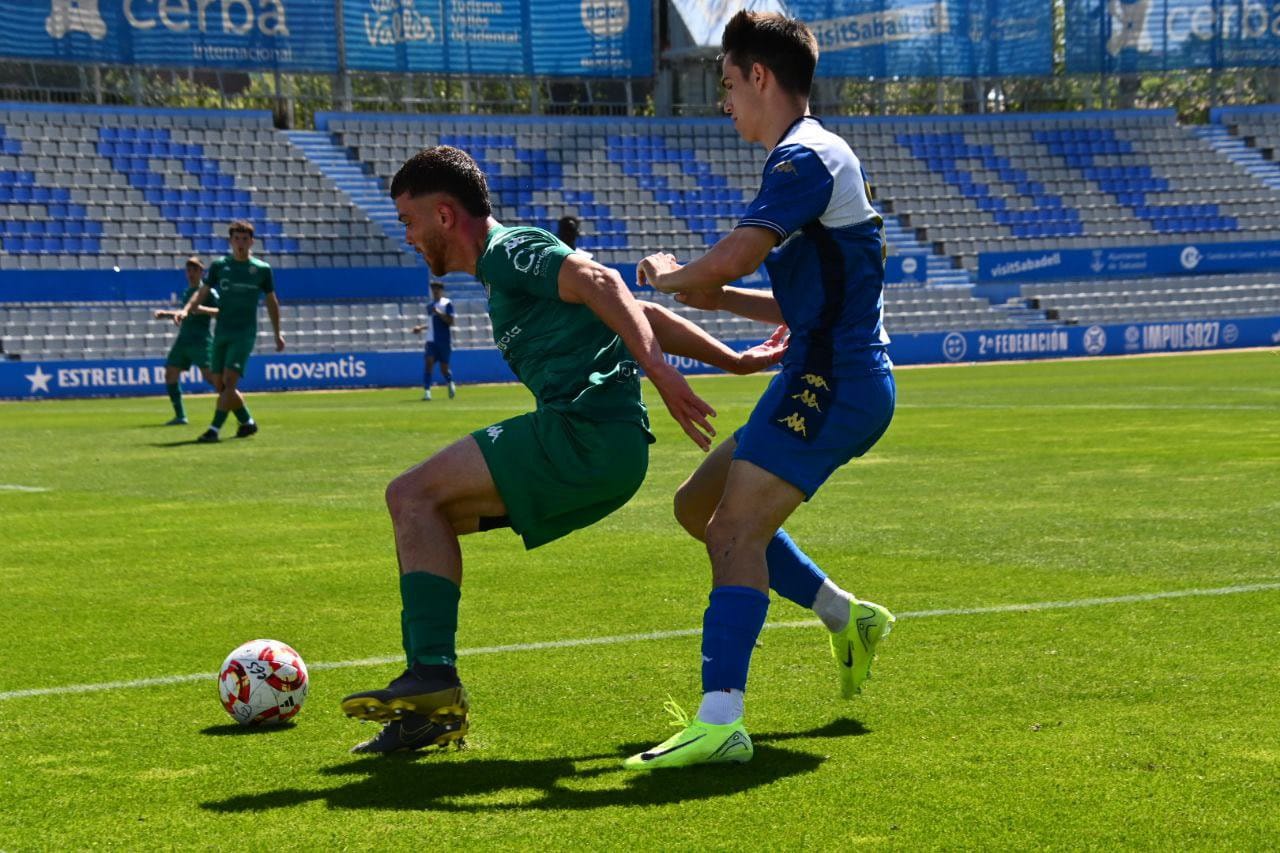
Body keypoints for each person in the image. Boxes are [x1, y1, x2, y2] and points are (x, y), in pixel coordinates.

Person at [338, 145, 787, 755]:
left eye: (409, 222)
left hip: (586, 436)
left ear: (444, 216)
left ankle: (434, 682)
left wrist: (660, 370)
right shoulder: (502, 273)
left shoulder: (509, 250)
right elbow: (643, 308)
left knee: (410, 494)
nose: (409, 238)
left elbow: (603, 281)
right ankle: (430, 707)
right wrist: (733, 361)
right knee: (424, 512)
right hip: (598, 448)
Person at [625, 11, 897, 770]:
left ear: (760, 77)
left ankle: (721, 720)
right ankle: (848, 616)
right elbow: (802, 297)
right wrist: (713, 297)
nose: (725, 103)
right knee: (697, 508)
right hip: (820, 371)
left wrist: (678, 275)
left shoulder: (802, 156)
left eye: (727, 84)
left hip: (832, 381)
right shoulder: (810, 158)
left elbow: (738, 255)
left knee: (731, 532)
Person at [176, 221, 285, 443]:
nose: (241, 243)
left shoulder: (261, 270)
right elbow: (202, 292)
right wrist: (187, 309)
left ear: (252, 242)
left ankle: (214, 429)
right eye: (237, 239)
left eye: (245, 239)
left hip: (243, 333)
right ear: (230, 241)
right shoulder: (219, 266)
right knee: (219, 384)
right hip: (222, 331)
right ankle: (247, 422)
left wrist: (277, 333)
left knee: (230, 381)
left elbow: (272, 301)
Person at [153, 256, 220, 425]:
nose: (191, 273)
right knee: (170, 373)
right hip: (184, 339)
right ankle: (181, 416)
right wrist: (167, 314)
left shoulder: (209, 291)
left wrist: (200, 309)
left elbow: (221, 311)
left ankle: (240, 411)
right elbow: (186, 312)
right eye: (189, 270)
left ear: (202, 272)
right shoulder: (187, 291)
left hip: (200, 339)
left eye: (195, 270)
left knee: (212, 378)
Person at [410, 280, 456, 400]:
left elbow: (450, 322)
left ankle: (450, 382)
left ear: (441, 290)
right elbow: (431, 323)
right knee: (428, 363)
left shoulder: (447, 304)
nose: (435, 291)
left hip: (444, 341)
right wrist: (421, 328)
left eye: (437, 289)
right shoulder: (429, 306)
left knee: (444, 369)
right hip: (431, 341)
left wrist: (439, 313)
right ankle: (427, 392)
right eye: (433, 289)